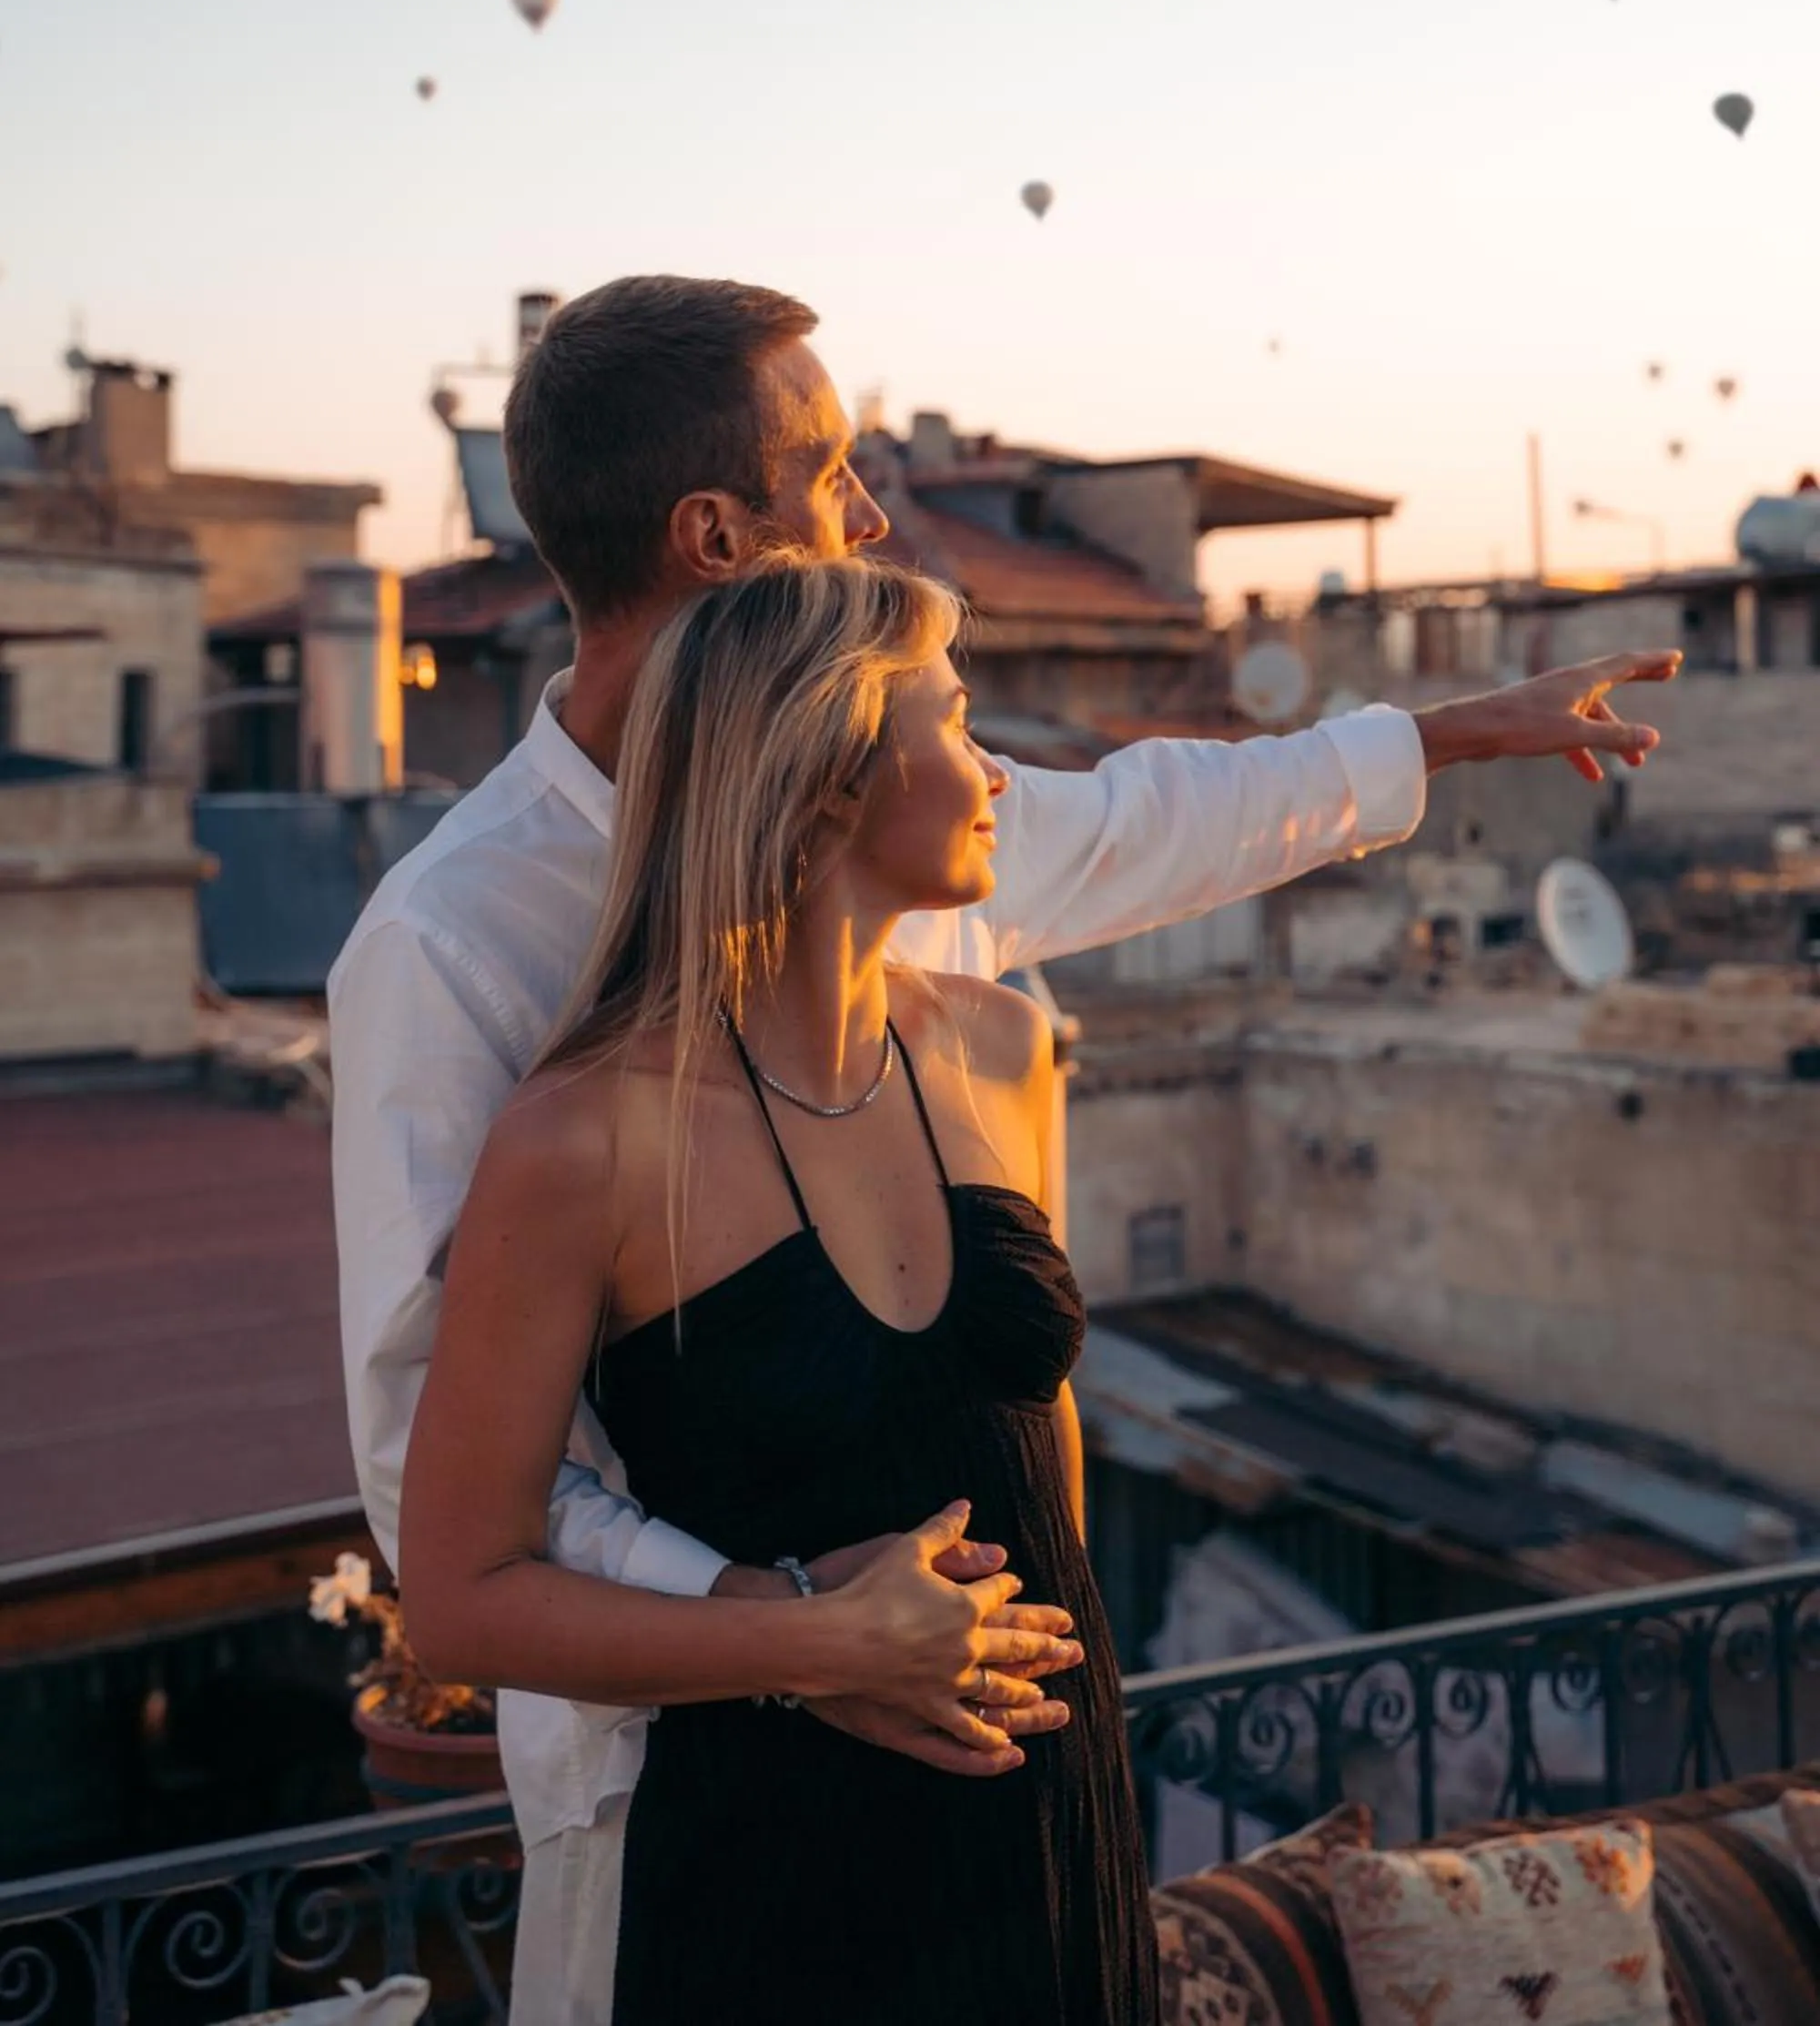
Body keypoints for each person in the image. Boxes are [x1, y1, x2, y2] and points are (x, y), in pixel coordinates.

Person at [329, 274, 1677, 2023]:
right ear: (718, 535)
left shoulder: (924, 873)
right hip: (689, 1783)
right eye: (833, 469)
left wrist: (1436, 735)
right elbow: (429, 1468)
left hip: (1020, 1767)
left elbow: (1143, 819)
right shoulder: (453, 946)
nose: (876, 507)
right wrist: (797, 1626)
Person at [400, 553, 1164, 2021]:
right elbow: (458, 1600)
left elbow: (1034, 1429)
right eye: (954, 725)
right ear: (825, 781)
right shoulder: (581, 1141)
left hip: (1048, 1810)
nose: (999, 770)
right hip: (782, 1867)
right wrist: (815, 1643)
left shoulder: (1003, 1051)